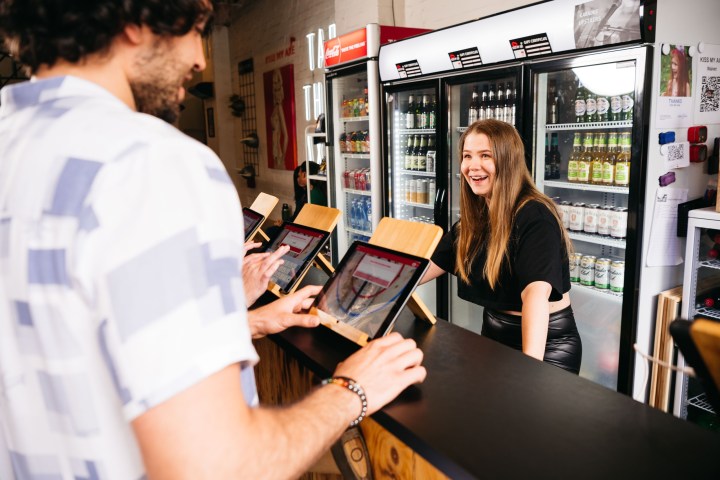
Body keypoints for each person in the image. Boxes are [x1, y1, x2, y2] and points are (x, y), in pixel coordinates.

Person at [0, 1, 426, 479]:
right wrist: (354, 388)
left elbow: (77, 348)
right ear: (135, 20)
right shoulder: (151, 162)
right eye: (195, 28)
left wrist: (250, 323)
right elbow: (222, 466)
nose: (200, 59)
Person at [422, 119, 582, 374]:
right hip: (494, 333)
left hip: (547, 345)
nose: (473, 166)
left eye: (485, 155)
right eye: (467, 156)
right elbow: (425, 266)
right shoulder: (474, 220)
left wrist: (530, 371)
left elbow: (535, 297)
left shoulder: (535, 216)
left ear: (508, 161)